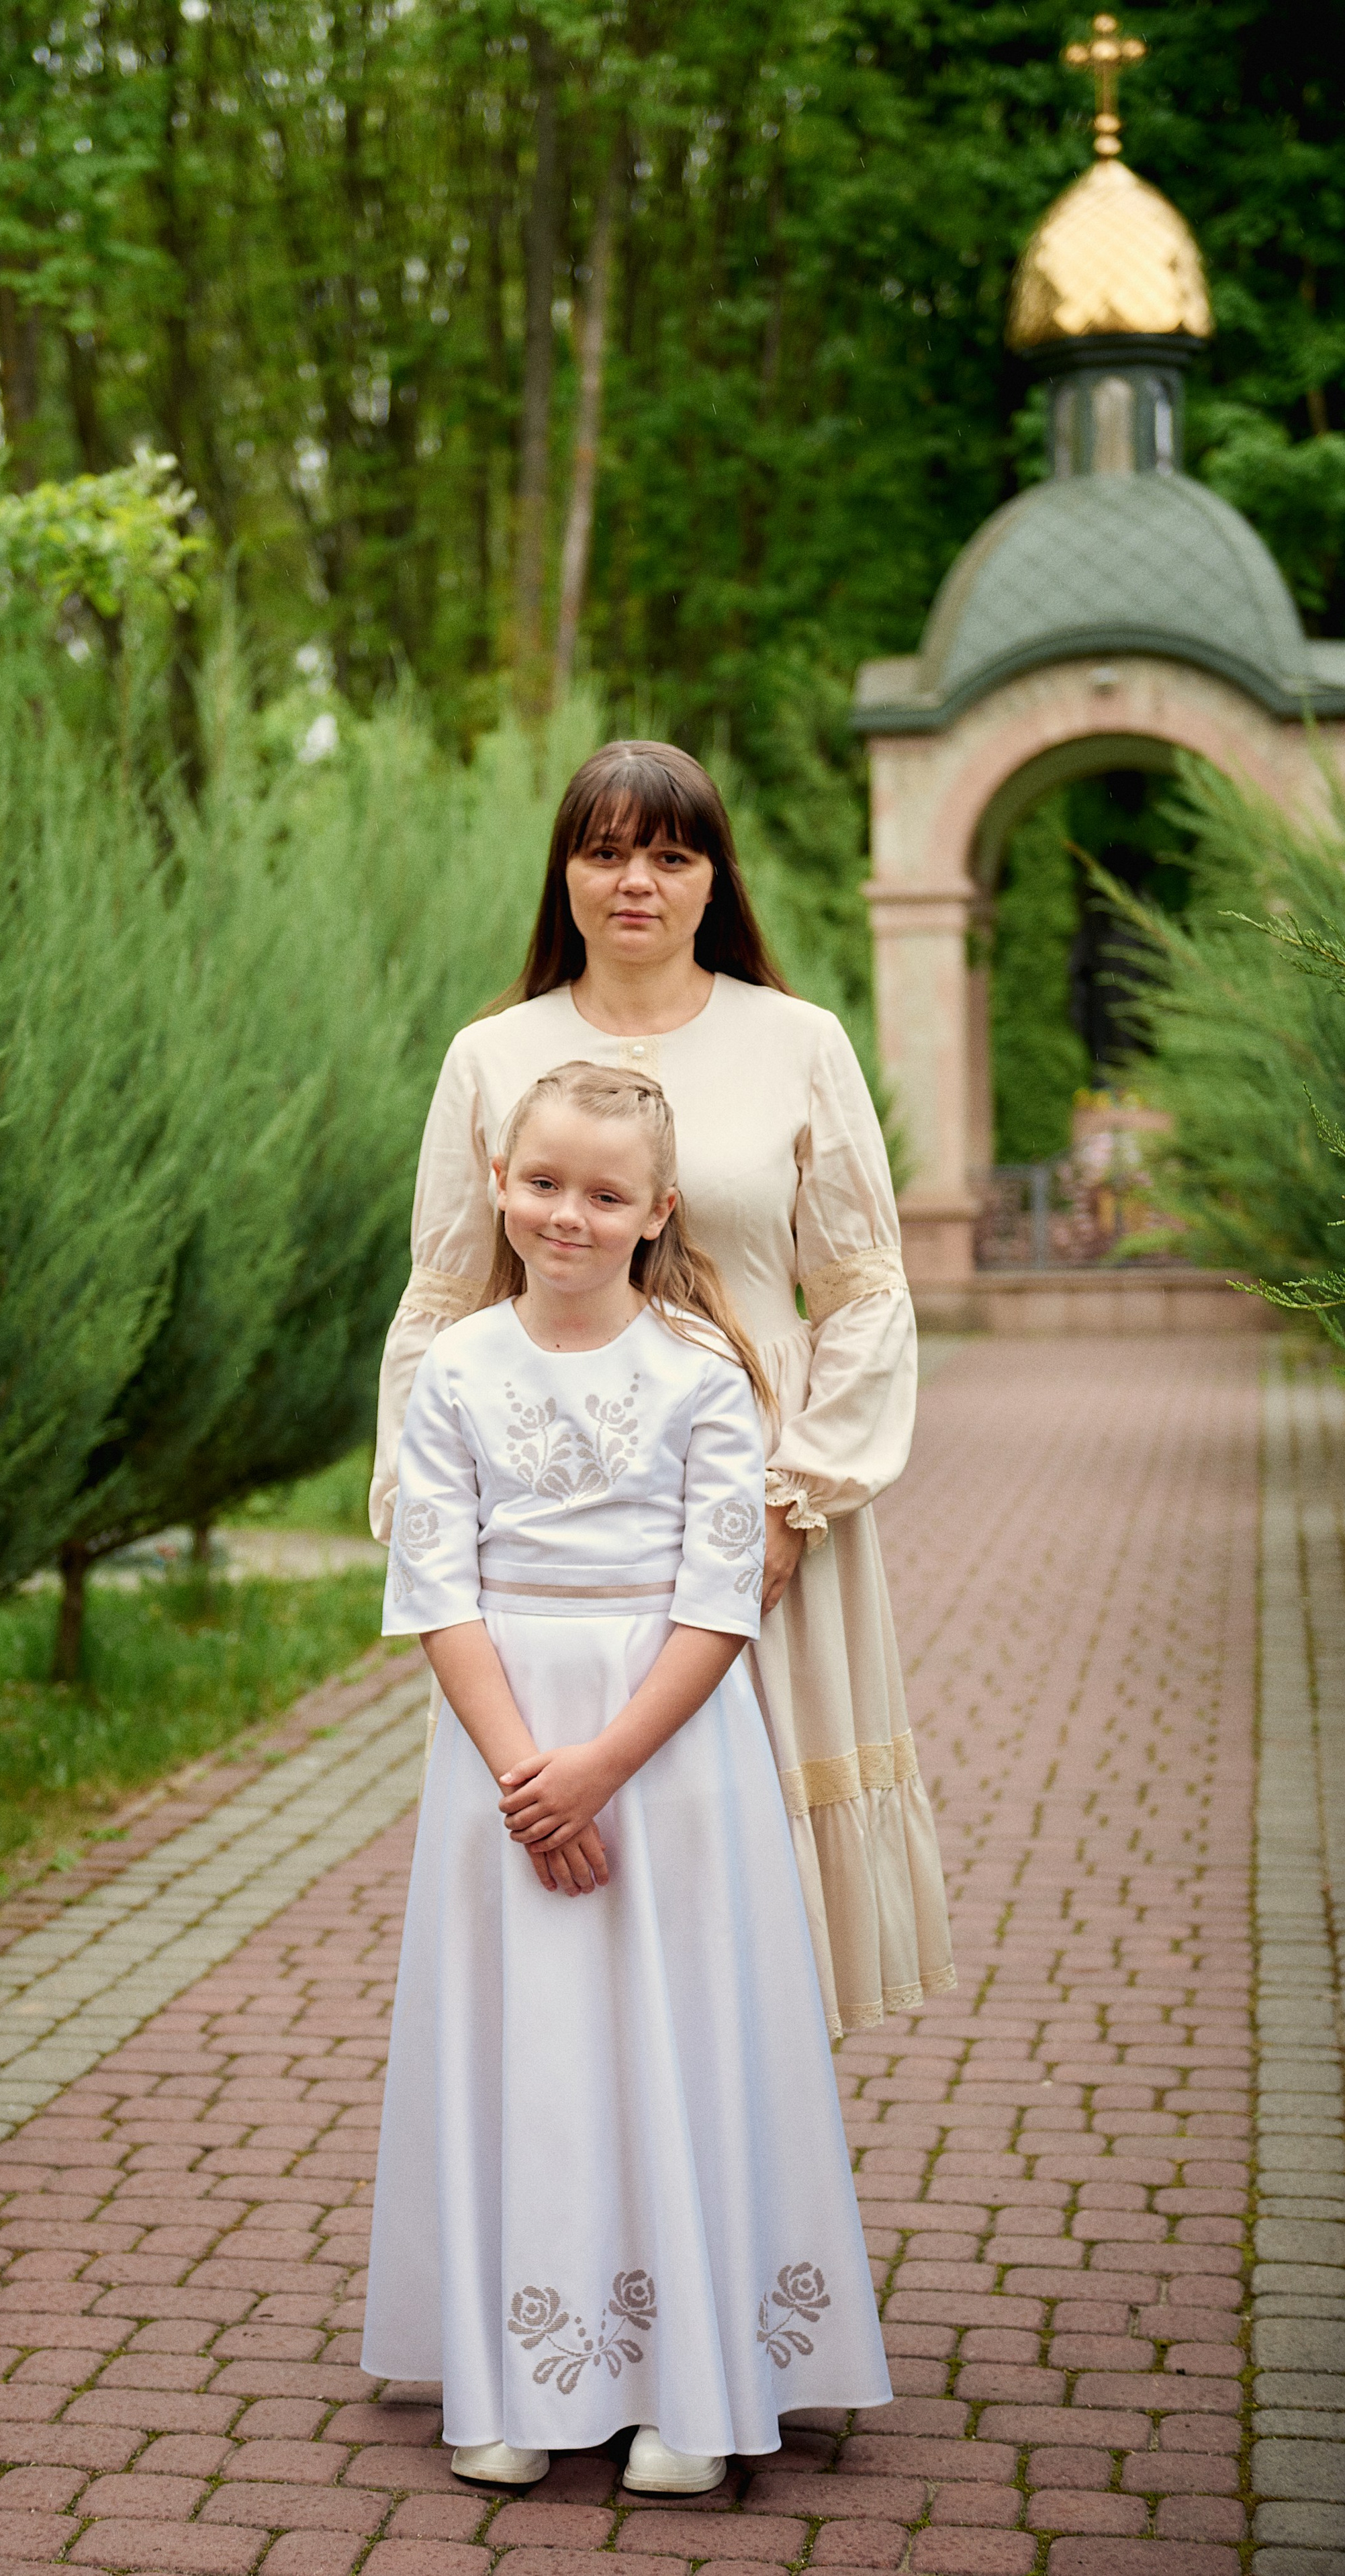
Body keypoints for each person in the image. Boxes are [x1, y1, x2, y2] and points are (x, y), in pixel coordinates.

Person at [370, 739, 953, 2040]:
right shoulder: (488, 1054)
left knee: (744, 1868)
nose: (635, 881)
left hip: (761, 1509)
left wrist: (793, 1504)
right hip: (547, 1526)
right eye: (604, 850)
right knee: (564, 1850)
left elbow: (861, 1293)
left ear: (711, 879)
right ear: (562, 873)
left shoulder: (796, 1041)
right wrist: (422, 1511)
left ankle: (742, 2168)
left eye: (669, 853)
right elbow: (440, 1299)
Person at [362, 1061, 892, 2489]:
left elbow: (720, 1598)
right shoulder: (459, 1367)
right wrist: (524, 1776)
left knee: (671, 2037)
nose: (568, 1215)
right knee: (528, 2047)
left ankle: (689, 2380)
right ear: (498, 1184)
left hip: (663, 1754)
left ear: (659, 1209)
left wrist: (595, 1771)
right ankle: (523, 2368)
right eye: (541, 1182)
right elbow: (435, 1582)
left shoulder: (698, 1373)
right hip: (506, 1746)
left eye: (604, 1194)